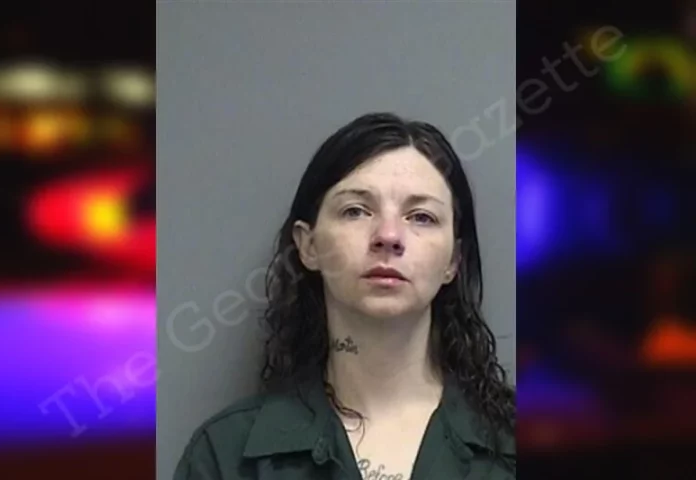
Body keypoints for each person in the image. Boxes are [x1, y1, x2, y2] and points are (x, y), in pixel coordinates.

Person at [173, 112, 516, 480]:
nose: (388, 235)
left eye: (421, 216)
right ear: (308, 246)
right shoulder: (225, 456)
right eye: (356, 211)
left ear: (453, 260)